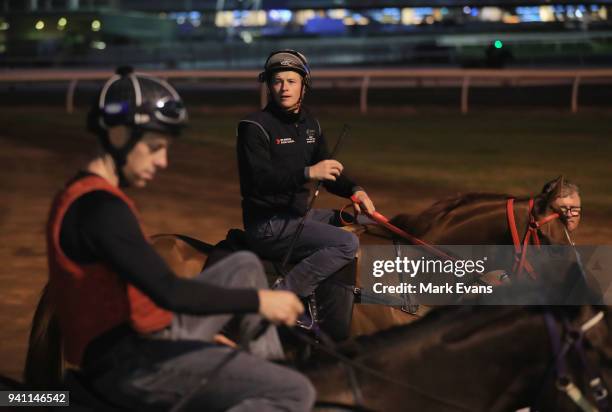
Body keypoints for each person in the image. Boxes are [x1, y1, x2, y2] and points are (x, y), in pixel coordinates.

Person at [46, 66, 315, 411]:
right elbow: (169, 291)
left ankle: (263, 371)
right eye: (155, 147)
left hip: (141, 339)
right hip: (134, 364)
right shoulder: (101, 210)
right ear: (118, 136)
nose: (163, 161)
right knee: (296, 392)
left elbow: (144, 296)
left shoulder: (88, 195)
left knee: (245, 264)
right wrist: (261, 301)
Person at [236, 50, 375, 329]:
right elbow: (259, 180)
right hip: (268, 224)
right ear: (269, 86)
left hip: (298, 215)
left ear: (304, 86)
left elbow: (329, 171)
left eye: (291, 80)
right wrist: (308, 173)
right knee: (346, 243)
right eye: (277, 81)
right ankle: (281, 297)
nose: (284, 87)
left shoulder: (311, 125)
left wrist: (355, 190)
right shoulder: (254, 127)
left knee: (352, 219)